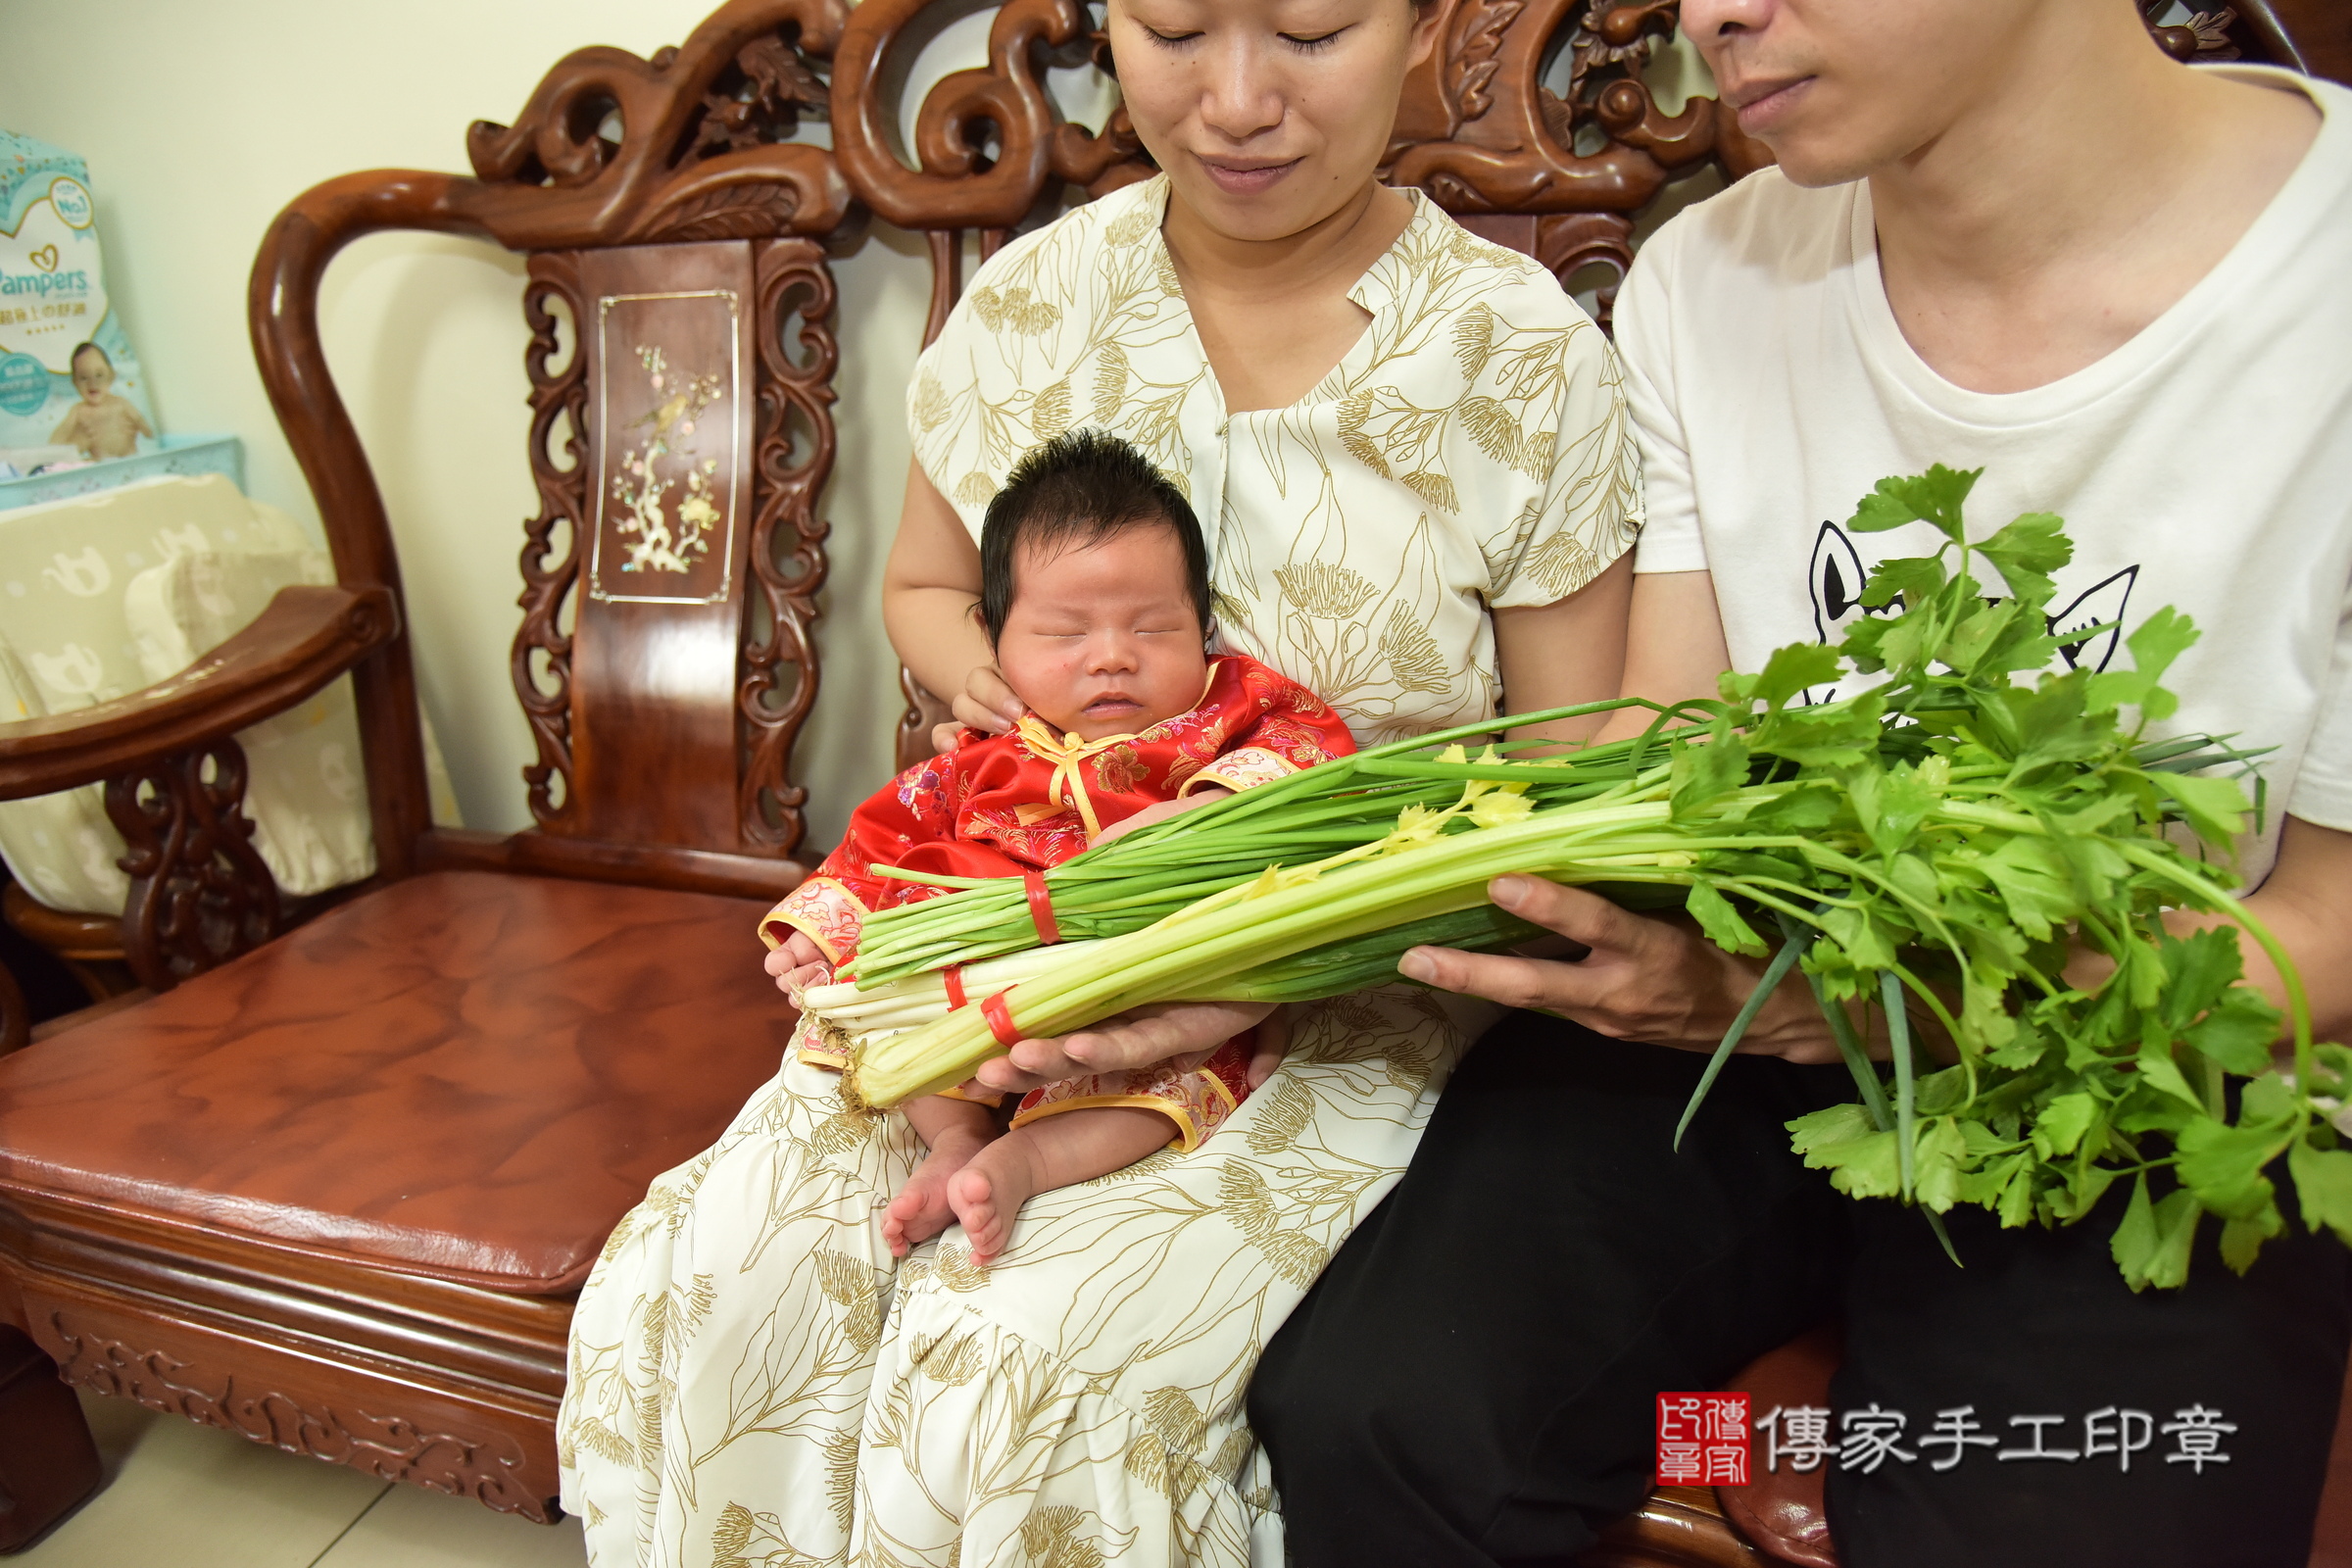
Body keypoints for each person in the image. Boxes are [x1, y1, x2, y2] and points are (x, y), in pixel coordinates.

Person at [1250, 3, 2352, 1565]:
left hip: (2152, 1064)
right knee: (1382, 1415)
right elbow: (1682, 767)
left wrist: (1895, 1007)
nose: (1716, 17)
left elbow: (2329, 922)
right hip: (1740, 1015)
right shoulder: (1715, 276)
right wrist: (1250, 938)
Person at [558, 0, 1641, 1559]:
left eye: (1317, 31)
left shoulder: (1517, 355)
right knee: (742, 1277)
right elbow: (926, 586)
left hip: (1338, 995)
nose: (1239, 100)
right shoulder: (1034, 302)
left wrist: (1265, 934)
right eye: (1177, 28)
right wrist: (984, 682)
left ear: (1416, 24)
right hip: (1003, 934)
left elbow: (1555, 777)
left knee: (1006, 1367)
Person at [760, 430, 1353, 1265]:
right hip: (984, 964)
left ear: (1205, 627)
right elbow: (891, 833)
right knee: (893, 1029)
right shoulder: (988, 747)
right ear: (994, 641)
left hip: (1137, 981)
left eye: (1154, 627)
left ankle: (1024, 1160)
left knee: (1164, 1071)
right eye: (1065, 633)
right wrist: (822, 929)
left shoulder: (1226, 713)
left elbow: (1310, 738)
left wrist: (1217, 801)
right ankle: (956, 1138)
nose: (1113, 657)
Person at [47, 342, 150, 461]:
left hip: (131, 457)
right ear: (75, 383)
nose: (92, 383)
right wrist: (68, 447)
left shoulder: (121, 403)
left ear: (112, 375)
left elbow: (144, 426)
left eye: (99, 375)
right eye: (84, 377)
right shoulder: (78, 410)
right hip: (100, 463)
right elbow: (59, 436)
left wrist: (148, 433)